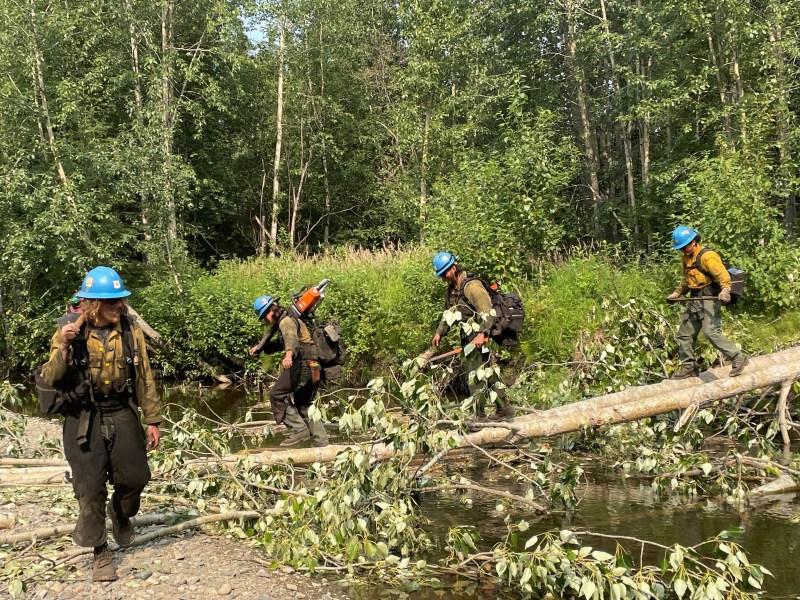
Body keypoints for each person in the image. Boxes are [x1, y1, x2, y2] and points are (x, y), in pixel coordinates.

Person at [40, 266, 162, 582]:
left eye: (120, 301)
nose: (118, 306)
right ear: (93, 304)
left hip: (121, 410)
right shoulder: (68, 330)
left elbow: (144, 377)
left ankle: (120, 513)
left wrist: (152, 420)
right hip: (82, 415)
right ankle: (100, 553)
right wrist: (64, 347)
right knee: (89, 488)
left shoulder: (131, 330)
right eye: (111, 303)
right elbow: (51, 377)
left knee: (136, 476)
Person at [430, 252, 514, 420]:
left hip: (480, 335)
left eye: (444, 274)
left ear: (453, 268)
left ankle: (480, 415)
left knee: (475, 375)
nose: (443, 279)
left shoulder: (472, 287)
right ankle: (504, 408)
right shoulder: (453, 290)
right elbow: (449, 313)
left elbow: (487, 311)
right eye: (440, 275)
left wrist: (482, 334)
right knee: (487, 372)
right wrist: (440, 332)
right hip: (469, 337)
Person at [667, 226, 749, 379]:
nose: (683, 251)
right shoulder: (686, 258)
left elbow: (723, 275)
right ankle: (688, 367)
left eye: (684, 247)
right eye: (680, 249)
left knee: (711, 331)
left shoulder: (707, 257)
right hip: (695, 297)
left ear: (693, 242)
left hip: (709, 297)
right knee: (684, 333)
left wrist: (725, 291)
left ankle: (738, 357)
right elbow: (687, 279)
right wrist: (677, 293)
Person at [248, 295, 328, 447]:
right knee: (304, 405)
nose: (265, 321)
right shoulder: (288, 320)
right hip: (314, 365)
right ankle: (321, 443)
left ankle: (298, 431)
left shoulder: (286, 321)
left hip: (303, 364)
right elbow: (281, 342)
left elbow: (291, 340)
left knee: (276, 395)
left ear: (270, 311)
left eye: (264, 318)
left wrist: (288, 355)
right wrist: (261, 348)